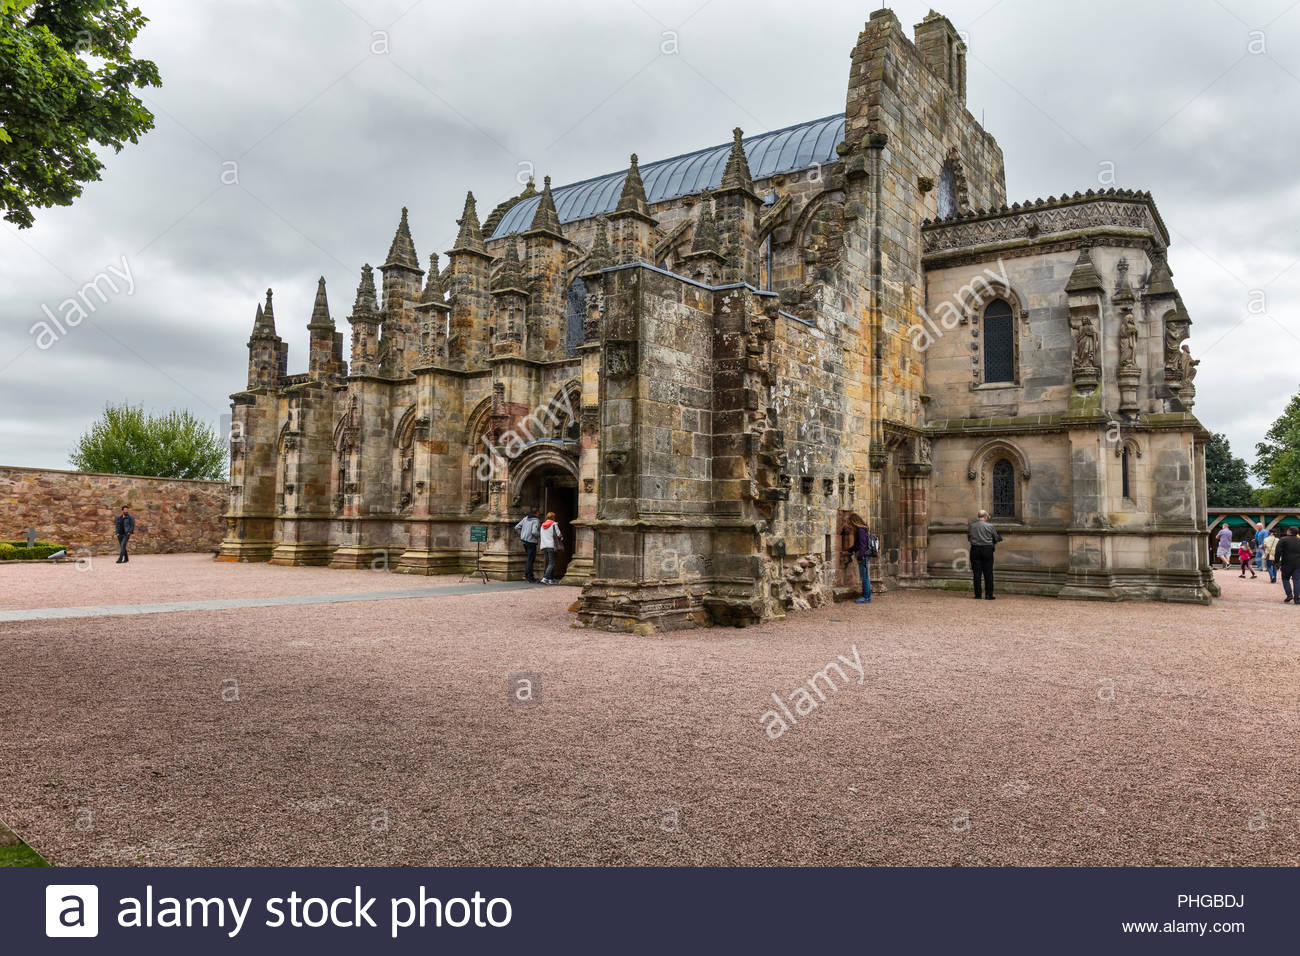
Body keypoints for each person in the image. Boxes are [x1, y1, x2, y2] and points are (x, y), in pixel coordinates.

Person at [967, 509, 1003, 600]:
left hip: (975, 549)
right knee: (988, 573)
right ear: (985, 516)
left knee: (976, 573)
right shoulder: (990, 526)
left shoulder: (972, 526)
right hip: (987, 549)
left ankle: (978, 594)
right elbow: (995, 537)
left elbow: (969, 537)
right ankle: (988, 594)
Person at [847, 513, 879, 604]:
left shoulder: (861, 530)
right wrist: (849, 550)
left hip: (864, 556)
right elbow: (857, 545)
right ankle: (866, 596)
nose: (849, 524)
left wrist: (861, 556)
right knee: (865, 576)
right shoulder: (861, 529)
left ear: (854, 521)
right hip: (864, 555)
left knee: (864, 577)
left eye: (850, 522)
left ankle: (866, 597)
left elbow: (863, 545)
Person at [514, 507, 541, 583]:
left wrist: (522, 535)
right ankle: (530, 577)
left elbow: (517, 527)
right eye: (538, 513)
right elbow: (534, 532)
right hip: (531, 541)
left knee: (529, 558)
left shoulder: (525, 518)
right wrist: (539, 535)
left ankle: (526, 575)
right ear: (536, 513)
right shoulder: (536, 520)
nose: (539, 514)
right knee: (531, 559)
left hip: (524, 541)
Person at [1277, 527, 1300, 605]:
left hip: (1286, 563)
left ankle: (1289, 595)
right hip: (1298, 563)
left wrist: (1276, 562)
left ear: (1289, 531)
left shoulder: (1283, 539)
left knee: (1285, 579)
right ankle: (1297, 598)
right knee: (1297, 580)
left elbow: (1278, 551)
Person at [539, 511, 564, 585]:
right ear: (553, 517)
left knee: (549, 563)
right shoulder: (554, 524)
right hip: (551, 546)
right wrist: (562, 537)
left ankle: (551, 579)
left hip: (544, 546)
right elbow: (559, 534)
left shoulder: (542, 525)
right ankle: (545, 578)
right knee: (552, 563)